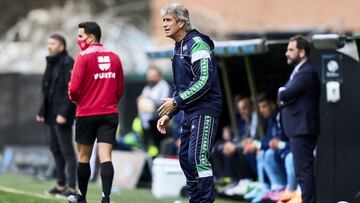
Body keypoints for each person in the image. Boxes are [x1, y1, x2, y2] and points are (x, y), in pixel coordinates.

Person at [156, 3, 222, 203]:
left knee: (197, 158)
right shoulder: (178, 47)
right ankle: (196, 199)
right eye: (163, 21)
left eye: (168, 20)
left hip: (205, 109)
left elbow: (203, 81)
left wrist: (175, 101)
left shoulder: (198, 44)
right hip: (189, 111)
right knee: (185, 158)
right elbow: (182, 86)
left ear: (181, 22)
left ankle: (205, 201)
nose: (164, 25)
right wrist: (170, 113)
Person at [67, 22, 124, 203]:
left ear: (91, 37)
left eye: (80, 36)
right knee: (106, 157)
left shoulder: (82, 57)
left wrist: (77, 100)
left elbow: (74, 89)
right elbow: (119, 89)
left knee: (84, 157)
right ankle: (105, 198)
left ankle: (81, 197)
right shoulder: (115, 57)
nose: (78, 40)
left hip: (86, 113)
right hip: (109, 113)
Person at [278, 35, 320, 203]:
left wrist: (282, 92)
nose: (287, 53)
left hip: (303, 129)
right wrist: (283, 94)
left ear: (302, 52)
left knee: (304, 172)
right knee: (302, 171)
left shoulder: (307, 72)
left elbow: (285, 93)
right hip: (298, 129)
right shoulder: (300, 71)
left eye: (291, 50)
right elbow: (285, 95)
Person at [36, 34, 77, 197]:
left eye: (52, 43)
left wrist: (64, 113)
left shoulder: (69, 63)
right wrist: (41, 111)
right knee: (55, 148)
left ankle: (72, 187)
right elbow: (47, 90)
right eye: (48, 43)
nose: (49, 46)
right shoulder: (51, 62)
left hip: (62, 115)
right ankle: (61, 184)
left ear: (61, 46)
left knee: (67, 151)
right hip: (50, 114)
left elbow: (72, 91)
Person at [137, 66, 170, 154]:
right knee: (146, 145)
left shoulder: (163, 86)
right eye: (149, 76)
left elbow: (163, 102)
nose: (151, 78)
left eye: (153, 76)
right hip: (146, 121)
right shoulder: (148, 87)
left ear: (158, 75)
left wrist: (149, 101)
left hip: (158, 120)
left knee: (159, 145)